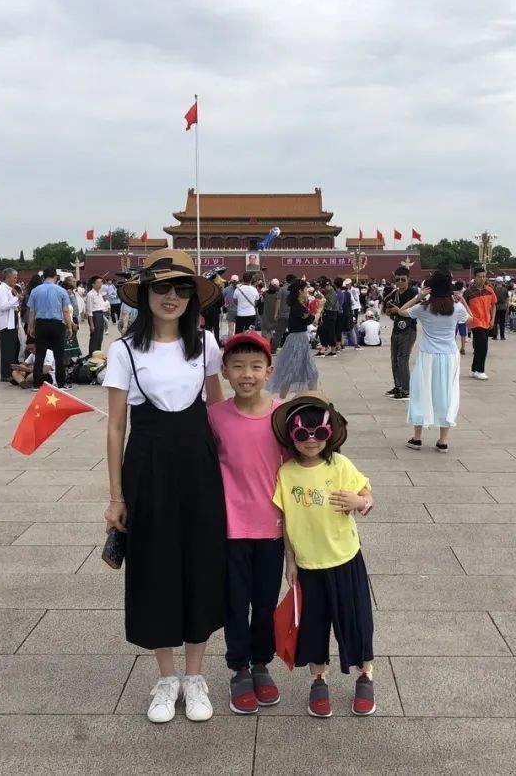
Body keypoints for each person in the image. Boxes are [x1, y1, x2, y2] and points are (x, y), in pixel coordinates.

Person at [103, 248, 226, 724]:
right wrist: (116, 496)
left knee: (200, 564)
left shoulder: (206, 345)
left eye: (181, 289)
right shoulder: (124, 350)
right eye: (162, 288)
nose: (171, 297)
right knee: (154, 567)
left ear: (193, 297)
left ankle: (195, 676)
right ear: (145, 295)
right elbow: (116, 426)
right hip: (147, 467)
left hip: (199, 467)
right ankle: (166, 677)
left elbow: (217, 412)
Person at [271, 394, 376, 718]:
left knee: (355, 620)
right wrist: (290, 561)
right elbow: (286, 520)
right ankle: (318, 678)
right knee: (314, 626)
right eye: (302, 433)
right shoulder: (286, 473)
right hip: (308, 565)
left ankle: (365, 674)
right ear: (291, 436)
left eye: (319, 433)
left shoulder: (340, 466)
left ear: (329, 434)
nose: (311, 440)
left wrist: (360, 503)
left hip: (345, 558)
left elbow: (366, 494)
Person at [207, 333, 284, 715]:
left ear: (269, 371)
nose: (246, 374)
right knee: (235, 603)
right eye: (237, 366)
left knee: (266, 603)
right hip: (231, 530)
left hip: (272, 529)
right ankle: (238, 667)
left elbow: (305, 465)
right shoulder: (214, 416)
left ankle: (261, 663)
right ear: (224, 372)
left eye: (255, 366)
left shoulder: (283, 416)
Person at [397, 271, 468, 452]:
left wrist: (418, 296)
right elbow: (471, 318)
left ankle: (417, 438)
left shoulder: (423, 307)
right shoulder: (457, 308)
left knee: (421, 392)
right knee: (447, 394)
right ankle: (443, 441)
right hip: (449, 356)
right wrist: (462, 299)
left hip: (428, 355)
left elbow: (401, 311)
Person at [266, 279, 320, 399]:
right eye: (305, 289)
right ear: (300, 291)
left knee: (311, 373)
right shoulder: (297, 306)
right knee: (291, 371)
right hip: (297, 340)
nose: (307, 292)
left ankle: (314, 398)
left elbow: (308, 319)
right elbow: (311, 320)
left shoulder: (298, 305)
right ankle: (281, 400)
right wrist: (319, 310)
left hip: (300, 338)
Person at [26, 267, 73, 388]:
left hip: (41, 323)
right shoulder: (61, 290)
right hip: (56, 323)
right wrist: (69, 326)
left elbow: (31, 311)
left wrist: (31, 327)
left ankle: (37, 384)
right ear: (55, 277)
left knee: (40, 355)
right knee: (59, 355)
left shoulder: (35, 290)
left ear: (44, 277)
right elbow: (65, 311)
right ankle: (61, 383)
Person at [385, 267, 417, 400]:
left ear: (408, 279)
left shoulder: (413, 293)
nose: (400, 282)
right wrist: (389, 312)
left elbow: (415, 311)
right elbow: (389, 310)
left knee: (402, 360)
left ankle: (406, 389)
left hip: (408, 329)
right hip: (396, 328)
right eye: (397, 279)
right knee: (394, 360)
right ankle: (398, 386)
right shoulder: (395, 293)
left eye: (403, 279)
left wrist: (398, 311)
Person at [464, 267, 498, 380]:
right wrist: (467, 320)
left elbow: (493, 305)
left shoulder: (489, 290)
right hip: (475, 322)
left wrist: (492, 319)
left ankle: (474, 369)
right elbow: (463, 307)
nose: (482, 279)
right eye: (479, 277)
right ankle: (480, 370)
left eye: (484, 276)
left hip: (486, 321)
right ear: (475, 277)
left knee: (479, 346)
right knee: (483, 345)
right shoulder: (468, 292)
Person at [0, 268, 22, 382]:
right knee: (7, 350)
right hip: (5, 324)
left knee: (15, 348)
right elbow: (4, 305)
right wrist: (16, 298)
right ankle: (6, 374)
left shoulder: (9, 289)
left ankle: (12, 371)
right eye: (14, 278)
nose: (16, 280)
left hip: (11, 323)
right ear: (8, 278)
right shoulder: (2, 290)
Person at [85, 275, 108, 355]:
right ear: (93, 284)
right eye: (98, 282)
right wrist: (91, 324)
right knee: (95, 336)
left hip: (101, 315)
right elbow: (89, 310)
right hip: (95, 316)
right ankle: (92, 354)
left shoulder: (99, 293)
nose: (100, 284)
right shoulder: (90, 294)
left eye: (101, 282)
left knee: (100, 337)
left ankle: (98, 354)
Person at [259, 279, 279, 346]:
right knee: (271, 331)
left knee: (265, 331)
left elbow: (261, 301)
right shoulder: (277, 295)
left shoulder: (265, 294)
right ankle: (270, 345)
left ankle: (265, 345)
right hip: (274, 314)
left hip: (266, 314)